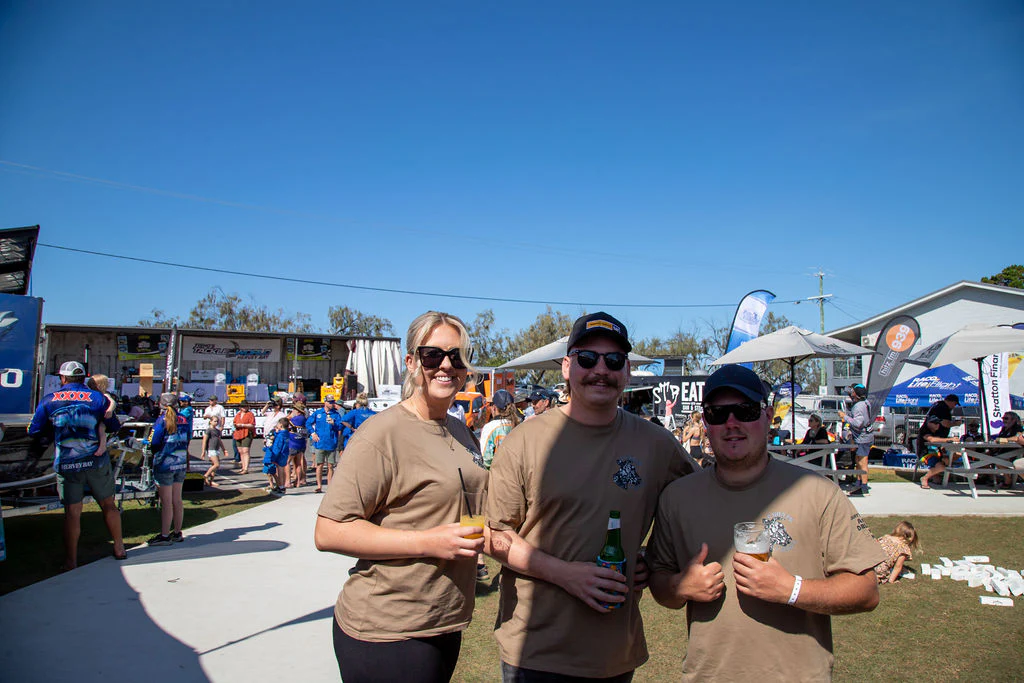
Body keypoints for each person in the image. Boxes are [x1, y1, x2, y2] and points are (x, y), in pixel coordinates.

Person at [485, 312, 693, 681]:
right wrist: (565, 574)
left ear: (627, 371)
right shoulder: (525, 441)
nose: (600, 369)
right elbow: (495, 536)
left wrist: (656, 557)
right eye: (587, 358)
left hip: (614, 654)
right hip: (536, 653)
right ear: (567, 367)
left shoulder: (655, 443)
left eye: (613, 360)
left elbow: (698, 499)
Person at [646, 364, 884, 682]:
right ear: (706, 423)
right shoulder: (677, 498)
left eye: (745, 410)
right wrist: (681, 587)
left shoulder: (816, 491)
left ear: (768, 415)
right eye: (717, 413)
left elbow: (866, 590)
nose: (731, 423)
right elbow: (660, 582)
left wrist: (792, 590)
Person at [315, 311, 486, 683]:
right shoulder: (382, 433)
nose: (446, 365)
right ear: (411, 362)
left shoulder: (460, 431)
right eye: (432, 355)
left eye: (457, 356)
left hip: (443, 620)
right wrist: (428, 542)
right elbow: (329, 531)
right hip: (388, 629)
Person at [28, 361, 126, 569]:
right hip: (96, 462)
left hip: (67, 464)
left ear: (63, 378)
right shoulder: (98, 398)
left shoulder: (49, 400)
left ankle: (71, 560)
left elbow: (34, 430)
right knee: (109, 505)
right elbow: (114, 425)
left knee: (72, 513)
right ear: (84, 378)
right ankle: (119, 548)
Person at [147, 393, 189, 545]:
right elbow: (188, 438)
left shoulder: (161, 420)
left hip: (165, 462)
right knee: (177, 499)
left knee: (166, 501)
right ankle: (177, 532)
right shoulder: (184, 419)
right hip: (180, 462)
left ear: (161, 405)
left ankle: (164, 535)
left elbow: (153, 441)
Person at [838, 383, 873, 497]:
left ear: (856, 394)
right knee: (858, 460)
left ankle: (864, 487)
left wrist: (845, 417)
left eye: (852, 391)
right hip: (863, 436)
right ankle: (858, 482)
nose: (851, 393)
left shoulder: (858, 407)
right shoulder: (865, 403)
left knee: (862, 461)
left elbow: (858, 423)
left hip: (863, 437)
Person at [307, 397, 343, 493]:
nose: (332, 404)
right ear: (325, 402)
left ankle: (330, 486)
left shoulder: (336, 414)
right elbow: (308, 423)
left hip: (331, 443)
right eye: (330, 402)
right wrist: (312, 433)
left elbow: (340, 426)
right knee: (319, 465)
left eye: (333, 402)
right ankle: (319, 486)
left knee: (330, 465)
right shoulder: (318, 413)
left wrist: (334, 423)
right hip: (320, 443)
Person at [478, 389, 518, 470]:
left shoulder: (491, 427)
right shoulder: (517, 425)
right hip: (516, 472)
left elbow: (486, 458)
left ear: (494, 408)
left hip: (497, 473)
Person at [917, 415, 958, 489]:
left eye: (938, 423)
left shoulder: (938, 431)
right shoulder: (924, 430)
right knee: (941, 467)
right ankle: (924, 478)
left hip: (938, 454)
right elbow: (932, 440)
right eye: (935, 423)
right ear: (928, 423)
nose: (937, 425)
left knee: (956, 455)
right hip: (926, 455)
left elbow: (941, 442)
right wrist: (950, 439)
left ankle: (935, 474)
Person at [262, 417, 291, 494]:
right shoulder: (286, 433)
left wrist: (273, 456)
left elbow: (277, 446)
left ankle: (281, 486)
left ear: (281, 425)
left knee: (280, 470)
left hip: (279, 454)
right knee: (281, 469)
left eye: (278, 424)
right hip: (285, 453)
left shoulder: (281, 435)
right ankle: (281, 485)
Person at [996, 411, 1024, 488]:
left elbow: (1017, 437)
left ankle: (1007, 481)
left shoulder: (1017, 428)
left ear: (1013, 420)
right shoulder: (1004, 428)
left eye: (1006, 418)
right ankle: (992, 479)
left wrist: (1006, 439)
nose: (1004, 420)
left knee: (997, 460)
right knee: (986, 456)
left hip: (1013, 453)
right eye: (1003, 418)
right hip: (1002, 451)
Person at [287, 401, 308, 488]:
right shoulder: (304, 419)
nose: (293, 411)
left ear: (298, 411)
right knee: (298, 463)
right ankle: (298, 481)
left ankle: (287, 481)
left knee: (287, 462)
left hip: (293, 443)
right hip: (301, 443)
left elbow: (284, 422)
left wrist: (289, 416)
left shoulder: (296, 419)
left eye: (294, 409)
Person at [231, 401, 256, 475]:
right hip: (238, 433)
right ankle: (243, 467)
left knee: (245, 451)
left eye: (245, 406)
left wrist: (242, 425)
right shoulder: (238, 414)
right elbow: (234, 422)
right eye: (243, 406)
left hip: (247, 433)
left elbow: (252, 425)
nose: (244, 408)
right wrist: (236, 425)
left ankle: (246, 468)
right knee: (240, 451)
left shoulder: (250, 414)